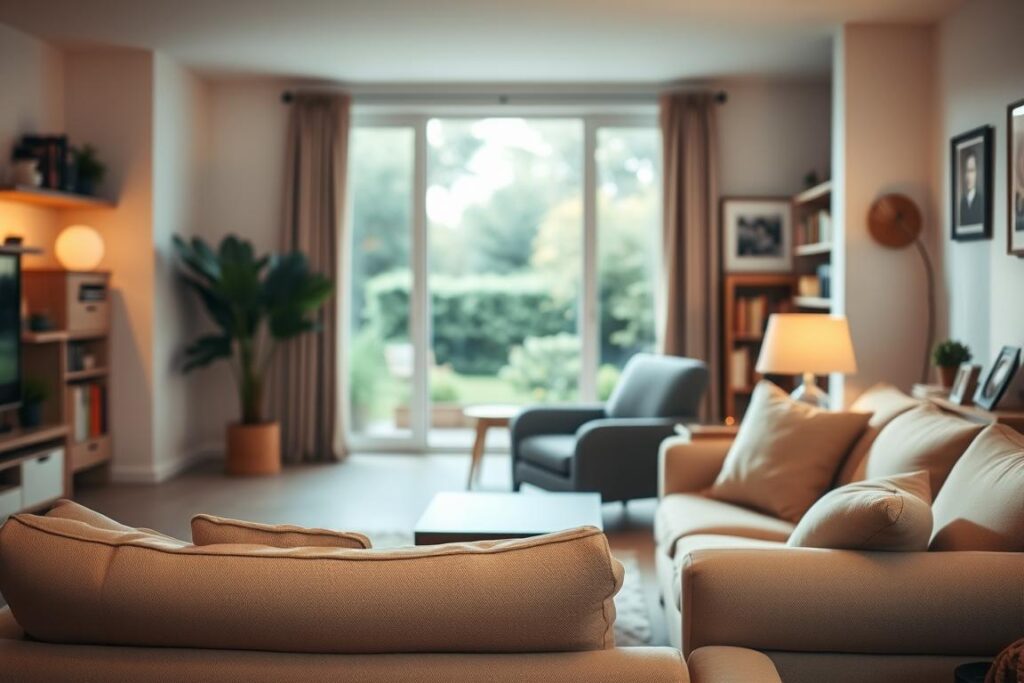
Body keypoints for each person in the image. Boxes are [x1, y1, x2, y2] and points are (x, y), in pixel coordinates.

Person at [959, 149, 983, 226]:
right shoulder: (962, 203)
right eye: (966, 171)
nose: (968, 176)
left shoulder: (981, 201)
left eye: (971, 170)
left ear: (977, 173)